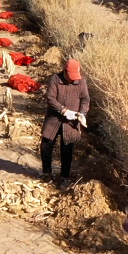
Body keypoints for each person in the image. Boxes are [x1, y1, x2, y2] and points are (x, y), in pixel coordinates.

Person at [40, 59, 90, 188]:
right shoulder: (55, 79)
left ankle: (64, 177)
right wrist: (63, 110)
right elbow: (50, 98)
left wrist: (82, 113)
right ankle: (47, 173)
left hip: (71, 122)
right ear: (64, 72)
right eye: (70, 77)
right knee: (46, 144)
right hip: (54, 118)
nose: (73, 80)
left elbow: (85, 99)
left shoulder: (81, 82)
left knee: (67, 149)